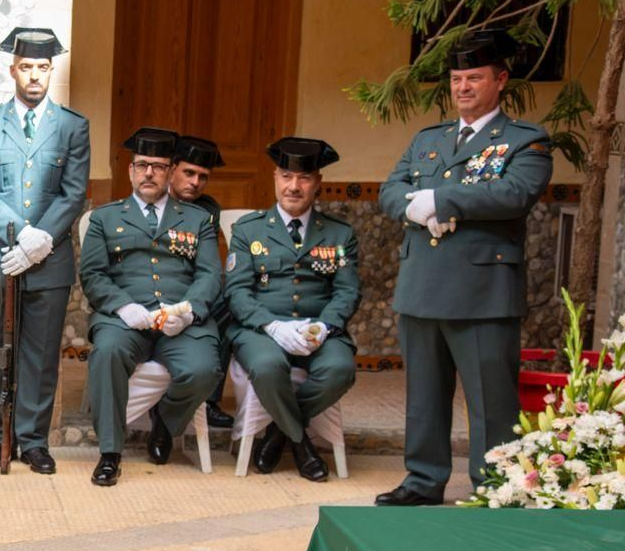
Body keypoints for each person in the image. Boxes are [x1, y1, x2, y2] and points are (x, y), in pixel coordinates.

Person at [375, 29, 553, 505]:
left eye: (474, 77)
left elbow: (514, 194)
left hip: (481, 292)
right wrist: (411, 206)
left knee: (491, 402)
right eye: (457, 79)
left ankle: (494, 484)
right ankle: (422, 481)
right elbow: (390, 189)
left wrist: (439, 198)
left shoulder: (524, 140)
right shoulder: (427, 139)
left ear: (500, 80)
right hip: (423, 285)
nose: (463, 87)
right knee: (425, 399)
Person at [0, 27, 90, 474]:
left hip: (50, 258)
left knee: (38, 354)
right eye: (27, 67)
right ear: (13, 70)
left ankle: (33, 439)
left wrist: (42, 241)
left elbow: (73, 192)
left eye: (43, 67)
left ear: (51, 70)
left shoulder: (73, 126)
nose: (35, 76)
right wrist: (20, 233)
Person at [78, 126, 223, 486]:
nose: (148, 173)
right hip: (125, 320)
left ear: (171, 171)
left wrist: (188, 310)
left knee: (205, 369)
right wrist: (124, 307)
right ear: (130, 170)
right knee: (107, 353)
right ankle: (110, 452)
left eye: (158, 166)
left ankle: (165, 426)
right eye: (142, 165)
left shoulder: (197, 220)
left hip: (181, 323)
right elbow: (93, 274)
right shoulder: (104, 218)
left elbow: (210, 274)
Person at [224, 137, 359, 481]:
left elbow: (347, 291)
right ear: (275, 178)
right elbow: (237, 291)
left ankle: (279, 433)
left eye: (304, 179)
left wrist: (325, 327)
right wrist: (272, 327)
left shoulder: (340, 235)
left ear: (317, 184)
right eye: (286, 176)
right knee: (268, 368)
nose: (294, 186)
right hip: (262, 331)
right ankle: (301, 444)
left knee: (340, 369)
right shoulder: (248, 230)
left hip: (319, 331)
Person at [167, 135, 234, 429]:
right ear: (171, 170)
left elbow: (206, 267)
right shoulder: (151, 198)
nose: (195, 182)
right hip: (152, 289)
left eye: (203, 177)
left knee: (229, 303)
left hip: (191, 290)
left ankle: (208, 400)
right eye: (189, 173)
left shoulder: (207, 210)